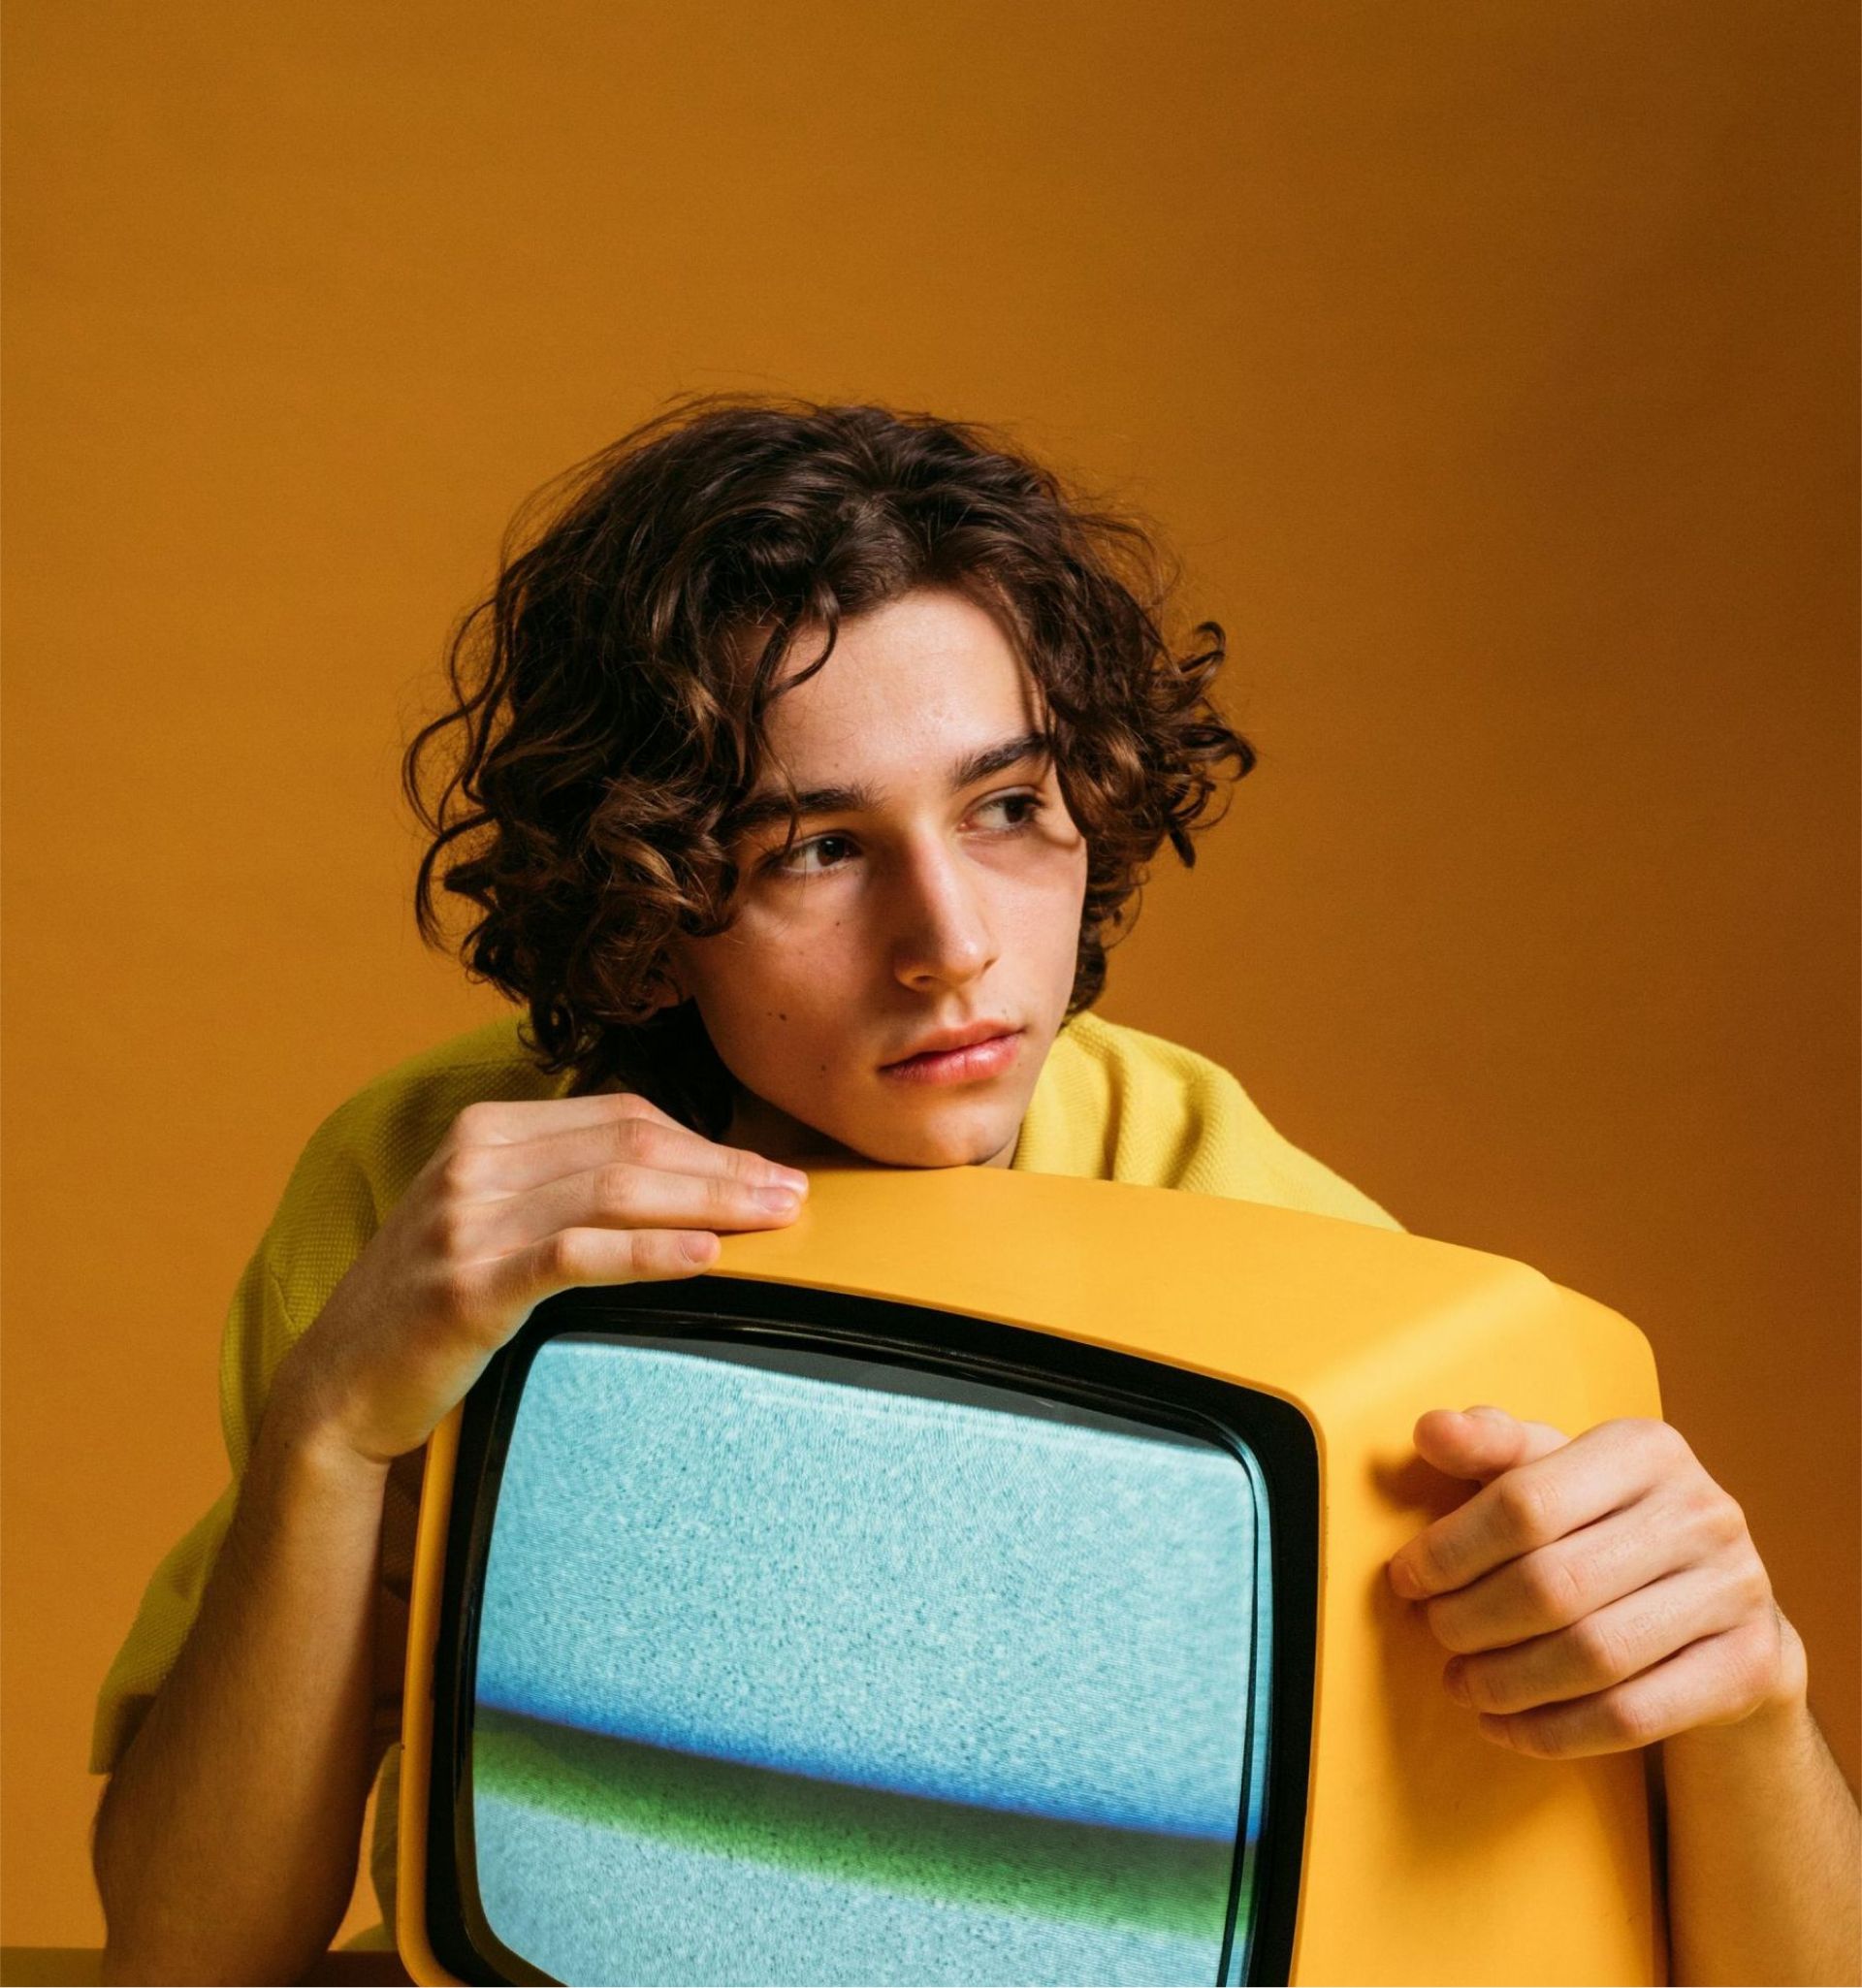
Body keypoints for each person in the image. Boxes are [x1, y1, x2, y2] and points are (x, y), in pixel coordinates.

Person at [89, 396, 1858, 1985]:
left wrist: (1746, 1686)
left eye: (1008, 807)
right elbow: (186, 1956)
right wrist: (332, 1425)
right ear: (644, 888)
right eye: (817, 848)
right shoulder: (425, 1189)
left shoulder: (1253, 1225)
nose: (951, 948)